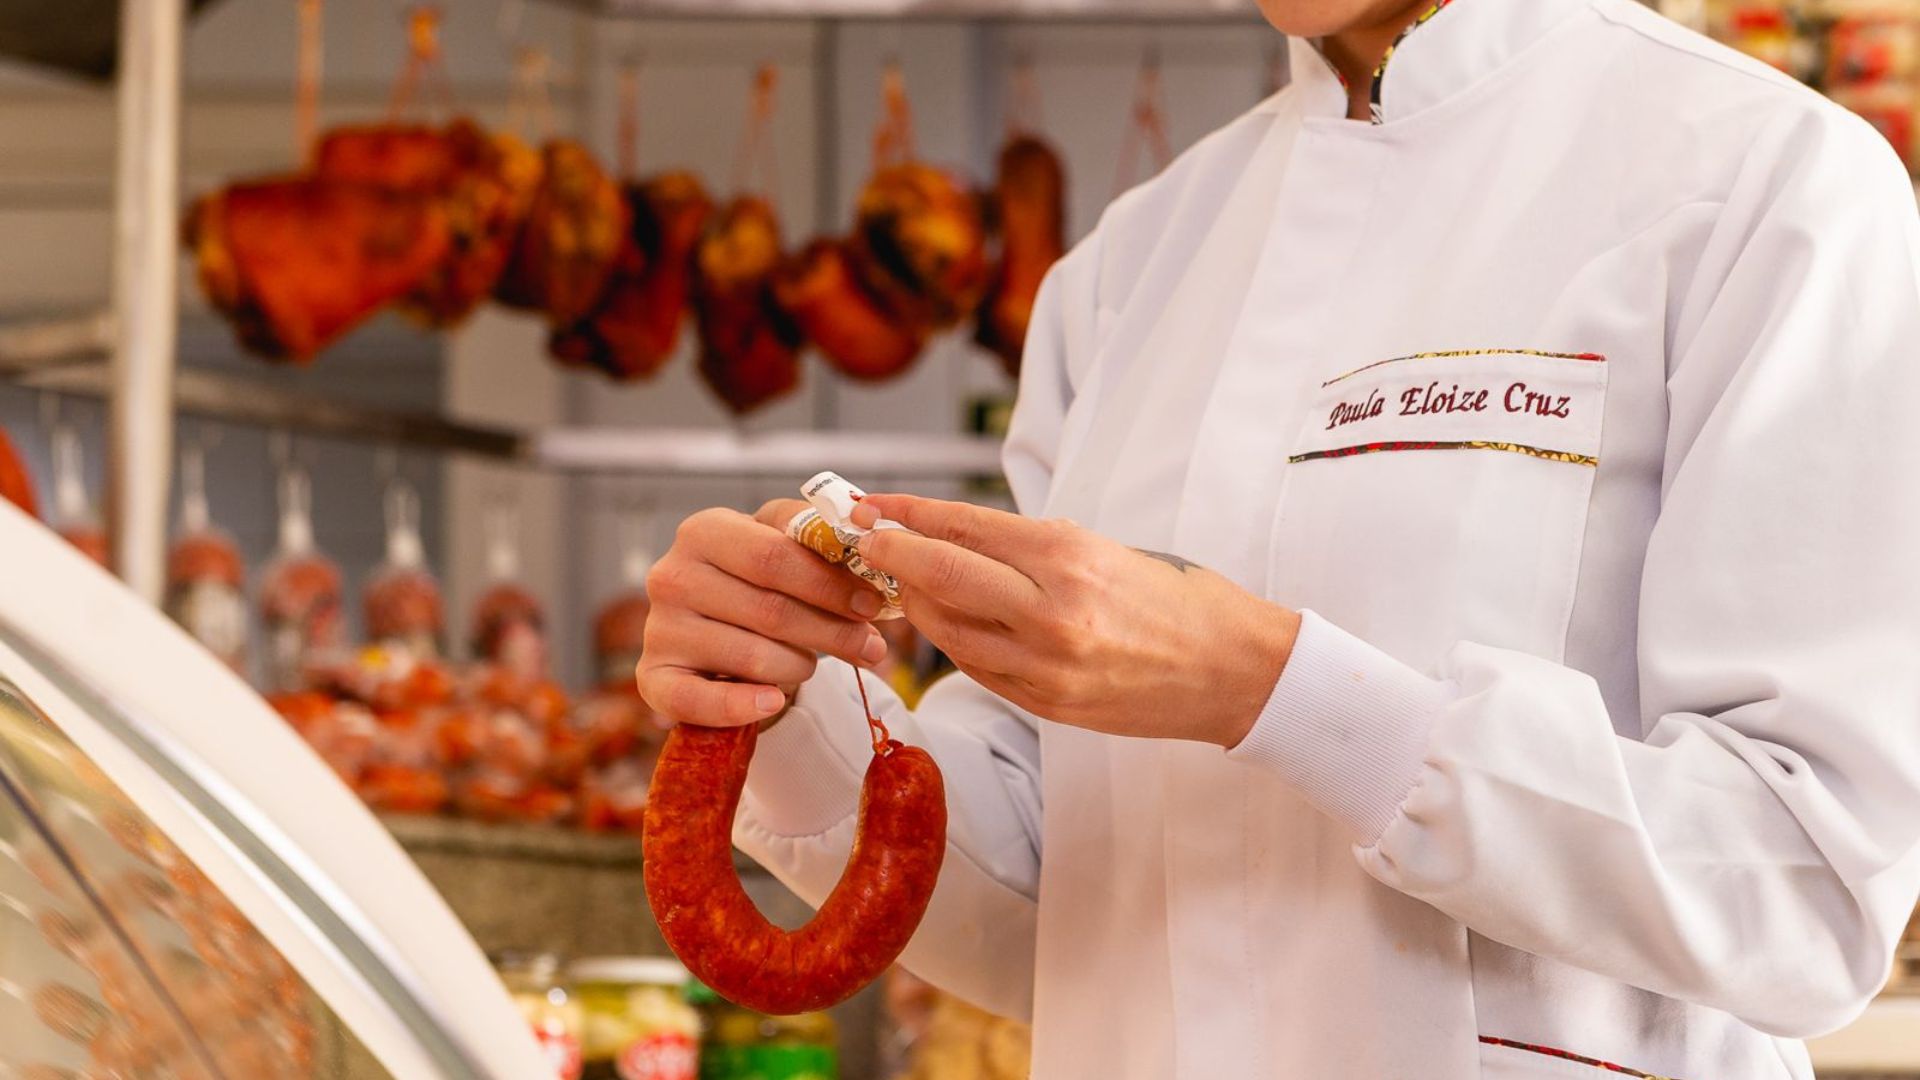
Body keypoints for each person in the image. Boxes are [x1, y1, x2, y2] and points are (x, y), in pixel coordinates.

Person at [635, 0, 1920, 1074]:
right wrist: (781, 695)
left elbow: (1805, 888)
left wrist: (1266, 688)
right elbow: (1048, 909)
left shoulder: (1765, 185)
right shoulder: (1135, 263)